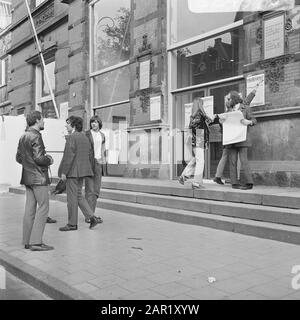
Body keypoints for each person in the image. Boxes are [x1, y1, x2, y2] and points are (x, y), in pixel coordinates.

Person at [16, 110, 54, 251]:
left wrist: (29, 164)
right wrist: (49, 159)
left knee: (29, 209)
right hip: (39, 178)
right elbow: (39, 158)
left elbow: (18, 158)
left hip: (27, 178)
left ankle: (27, 241)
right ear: (37, 120)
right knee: (44, 207)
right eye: (42, 119)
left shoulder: (23, 136)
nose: (44, 121)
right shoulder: (36, 136)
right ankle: (37, 242)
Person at [58, 116, 100, 231]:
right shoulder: (85, 137)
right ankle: (92, 217)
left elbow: (68, 157)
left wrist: (63, 172)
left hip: (72, 172)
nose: (66, 126)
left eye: (68, 123)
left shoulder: (72, 137)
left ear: (74, 125)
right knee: (79, 196)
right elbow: (89, 155)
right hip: (82, 171)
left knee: (72, 199)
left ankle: (72, 224)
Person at [218, 87, 257, 190]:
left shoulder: (245, 108)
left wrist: (248, 122)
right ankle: (234, 183)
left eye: (229, 99)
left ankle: (249, 183)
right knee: (232, 161)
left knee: (244, 160)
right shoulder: (228, 110)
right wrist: (221, 123)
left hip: (242, 138)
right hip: (232, 139)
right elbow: (225, 126)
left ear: (234, 99)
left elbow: (254, 120)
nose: (227, 101)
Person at [178, 97, 213, 189]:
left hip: (195, 138)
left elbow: (194, 128)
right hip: (198, 137)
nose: (203, 106)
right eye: (202, 104)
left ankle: (184, 176)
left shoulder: (193, 116)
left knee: (195, 159)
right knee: (200, 161)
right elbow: (198, 128)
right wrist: (207, 117)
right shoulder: (199, 115)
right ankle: (196, 182)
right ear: (200, 105)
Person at [84, 115, 106, 224]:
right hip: (89, 163)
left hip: (98, 163)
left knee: (96, 191)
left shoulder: (102, 135)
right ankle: (89, 216)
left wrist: (103, 161)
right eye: (92, 122)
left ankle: (91, 214)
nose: (94, 124)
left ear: (99, 124)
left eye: (96, 122)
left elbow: (102, 150)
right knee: (90, 191)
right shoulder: (87, 134)